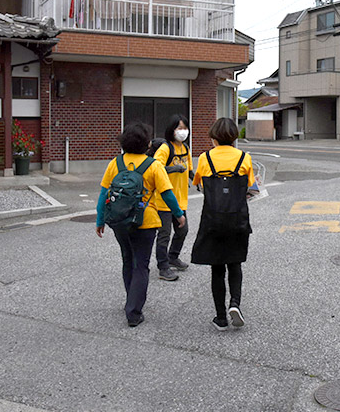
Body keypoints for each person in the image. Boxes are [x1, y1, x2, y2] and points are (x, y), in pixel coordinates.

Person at [95, 122, 186, 327]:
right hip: (146, 222)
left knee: (128, 260)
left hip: (119, 222)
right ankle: (134, 312)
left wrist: (100, 220)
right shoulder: (153, 165)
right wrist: (179, 215)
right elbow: (167, 194)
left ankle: (131, 300)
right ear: (147, 145)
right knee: (141, 265)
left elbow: (103, 194)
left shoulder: (115, 163)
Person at [191, 117, 256, 331]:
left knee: (217, 268)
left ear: (213, 137)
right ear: (234, 136)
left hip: (213, 220)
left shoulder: (204, 158)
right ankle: (235, 304)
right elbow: (251, 188)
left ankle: (220, 317)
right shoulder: (244, 158)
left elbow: (198, 183)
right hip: (238, 219)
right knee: (235, 264)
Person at [152, 115, 193, 281]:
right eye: (179, 128)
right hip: (163, 200)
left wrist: (200, 181)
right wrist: (173, 169)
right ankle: (163, 267)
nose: (182, 131)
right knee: (164, 234)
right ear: (172, 130)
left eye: (184, 128)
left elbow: (189, 169)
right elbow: (155, 169)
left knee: (182, 231)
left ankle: (173, 256)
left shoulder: (186, 149)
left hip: (180, 199)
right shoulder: (165, 148)